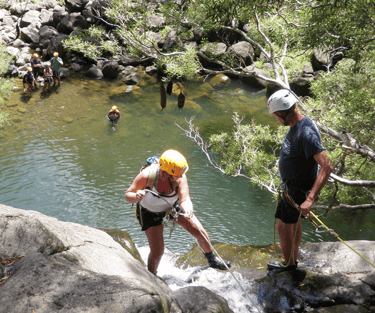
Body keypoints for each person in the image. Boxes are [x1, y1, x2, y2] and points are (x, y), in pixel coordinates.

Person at [125, 149, 231, 274]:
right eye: (176, 175)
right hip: (149, 212)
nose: (180, 177)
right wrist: (136, 196)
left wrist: (188, 209)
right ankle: (151, 277)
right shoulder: (147, 176)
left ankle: (212, 260)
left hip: (171, 207)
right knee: (158, 251)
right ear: (165, 173)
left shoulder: (180, 178)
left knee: (200, 232)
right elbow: (128, 195)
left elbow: (185, 199)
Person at [267, 89, 333, 273]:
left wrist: (310, 199)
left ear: (284, 112)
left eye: (276, 116)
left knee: (283, 228)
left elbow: (327, 166)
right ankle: (292, 262)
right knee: (291, 225)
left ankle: (289, 266)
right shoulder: (297, 125)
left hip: (297, 188)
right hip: (292, 185)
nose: (276, 120)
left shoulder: (307, 133)